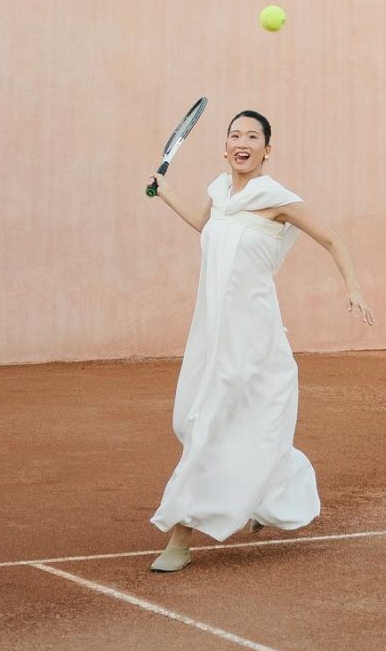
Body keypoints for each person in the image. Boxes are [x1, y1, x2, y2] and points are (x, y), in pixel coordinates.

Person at [146, 107, 372, 574]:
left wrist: (352, 287)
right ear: (225, 147)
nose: (241, 142)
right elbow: (207, 227)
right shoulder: (218, 191)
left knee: (208, 426)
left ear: (268, 149)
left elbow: (331, 240)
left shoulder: (277, 198)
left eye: (252, 136)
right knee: (189, 422)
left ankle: (179, 538)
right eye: (234, 135)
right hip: (210, 335)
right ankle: (266, 494)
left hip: (253, 341)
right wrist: (165, 193)